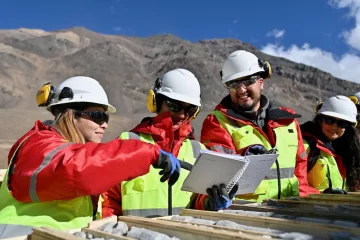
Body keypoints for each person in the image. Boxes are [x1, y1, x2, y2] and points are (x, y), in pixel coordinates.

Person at [0, 76, 182, 238]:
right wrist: (148, 152)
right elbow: (76, 169)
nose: (104, 125)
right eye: (97, 116)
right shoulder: (38, 144)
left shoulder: (65, 148)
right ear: (70, 115)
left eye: (106, 118)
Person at [189, 50, 319, 211]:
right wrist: (243, 156)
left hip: (290, 211)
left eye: (248, 81)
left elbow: (300, 173)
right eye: (234, 84)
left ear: (261, 82)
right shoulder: (218, 122)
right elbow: (217, 175)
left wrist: (306, 205)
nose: (241, 90)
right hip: (247, 215)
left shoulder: (288, 122)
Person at [101, 69, 207, 218]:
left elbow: (198, 203)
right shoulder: (128, 142)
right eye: (174, 106)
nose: (182, 115)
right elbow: (107, 200)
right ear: (156, 101)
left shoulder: (198, 151)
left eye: (190, 109)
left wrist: (209, 202)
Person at [301, 95, 360, 193]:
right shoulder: (305, 146)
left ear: (348, 127)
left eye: (342, 123)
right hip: (310, 206)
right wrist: (321, 194)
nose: (334, 127)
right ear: (320, 120)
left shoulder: (348, 150)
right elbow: (295, 183)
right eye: (329, 120)